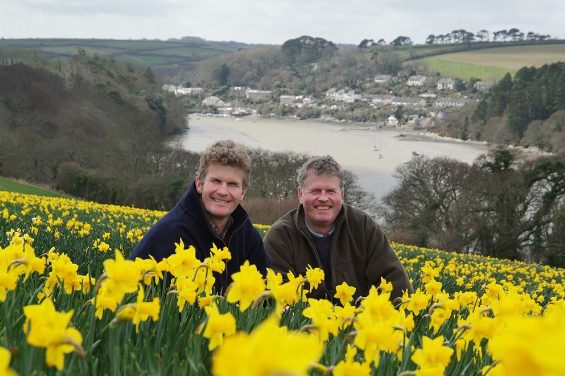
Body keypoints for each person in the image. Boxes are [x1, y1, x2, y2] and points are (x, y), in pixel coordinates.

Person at [264, 155, 412, 304]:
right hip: (304, 325)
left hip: (359, 323)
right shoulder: (279, 237)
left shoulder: (363, 227)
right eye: (315, 191)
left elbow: (395, 284)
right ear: (300, 194)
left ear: (342, 194)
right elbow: (275, 299)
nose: (323, 198)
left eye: (330, 191)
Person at [129, 140, 271, 293]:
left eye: (232, 184)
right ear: (199, 184)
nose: (223, 191)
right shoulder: (171, 233)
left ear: (243, 192)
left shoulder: (248, 236)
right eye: (216, 181)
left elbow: (267, 293)